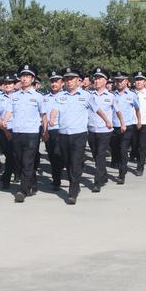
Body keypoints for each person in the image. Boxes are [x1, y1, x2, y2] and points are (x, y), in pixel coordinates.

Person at [49, 67, 111, 204]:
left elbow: (97, 109)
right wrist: (52, 118)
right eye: (67, 79)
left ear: (78, 81)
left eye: (72, 79)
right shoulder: (61, 96)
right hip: (64, 134)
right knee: (67, 162)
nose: (69, 81)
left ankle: (73, 190)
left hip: (79, 135)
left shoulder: (86, 96)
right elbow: (54, 109)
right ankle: (74, 181)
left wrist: (107, 120)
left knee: (75, 162)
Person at [3, 64, 47, 203]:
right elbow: (9, 110)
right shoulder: (14, 96)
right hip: (17, 132)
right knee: (20, 161)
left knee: (27, 162)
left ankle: (23, 190)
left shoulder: (38, 96)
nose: (24, 79)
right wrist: (5, 120)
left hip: (31, 133)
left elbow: (43, 115)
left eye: (28, 76)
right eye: (23, 76)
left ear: (32, 79)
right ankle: (33, 183)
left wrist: (45, 131)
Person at [87, 68, 123, 192]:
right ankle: (104, 175)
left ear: (105, 81)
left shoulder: (111, 96)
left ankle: (97, 182)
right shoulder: (89, 95)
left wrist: (122, 123)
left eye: (99, 78)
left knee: (100, 155)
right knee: (95, 155)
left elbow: (118, 111)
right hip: (91, 129)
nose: (96, 81)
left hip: (105, 131)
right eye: (95, 78)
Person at [110, 72, 140, 185]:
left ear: (126, 81)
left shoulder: (132, 95)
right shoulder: (112, 95)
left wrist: (139, 121)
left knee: (123, 149)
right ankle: (121, 166)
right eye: (117, 80)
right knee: (115, 150)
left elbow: (137, 109)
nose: (119, 83)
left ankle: (122, 174)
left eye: (121, 80)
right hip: (114, 126)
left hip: (127, 126)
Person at [42, 70, 64, 190]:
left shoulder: (66, 96)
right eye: (52, 81)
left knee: (58, 155)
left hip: (61, 130)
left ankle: (58, 178)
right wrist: (44, 131)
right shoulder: (45, 98)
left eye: (56, 81)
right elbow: (44, 115)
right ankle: (56, 180)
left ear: (62, 83)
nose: (54, 84)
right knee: (52, 156)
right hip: (49, 130)